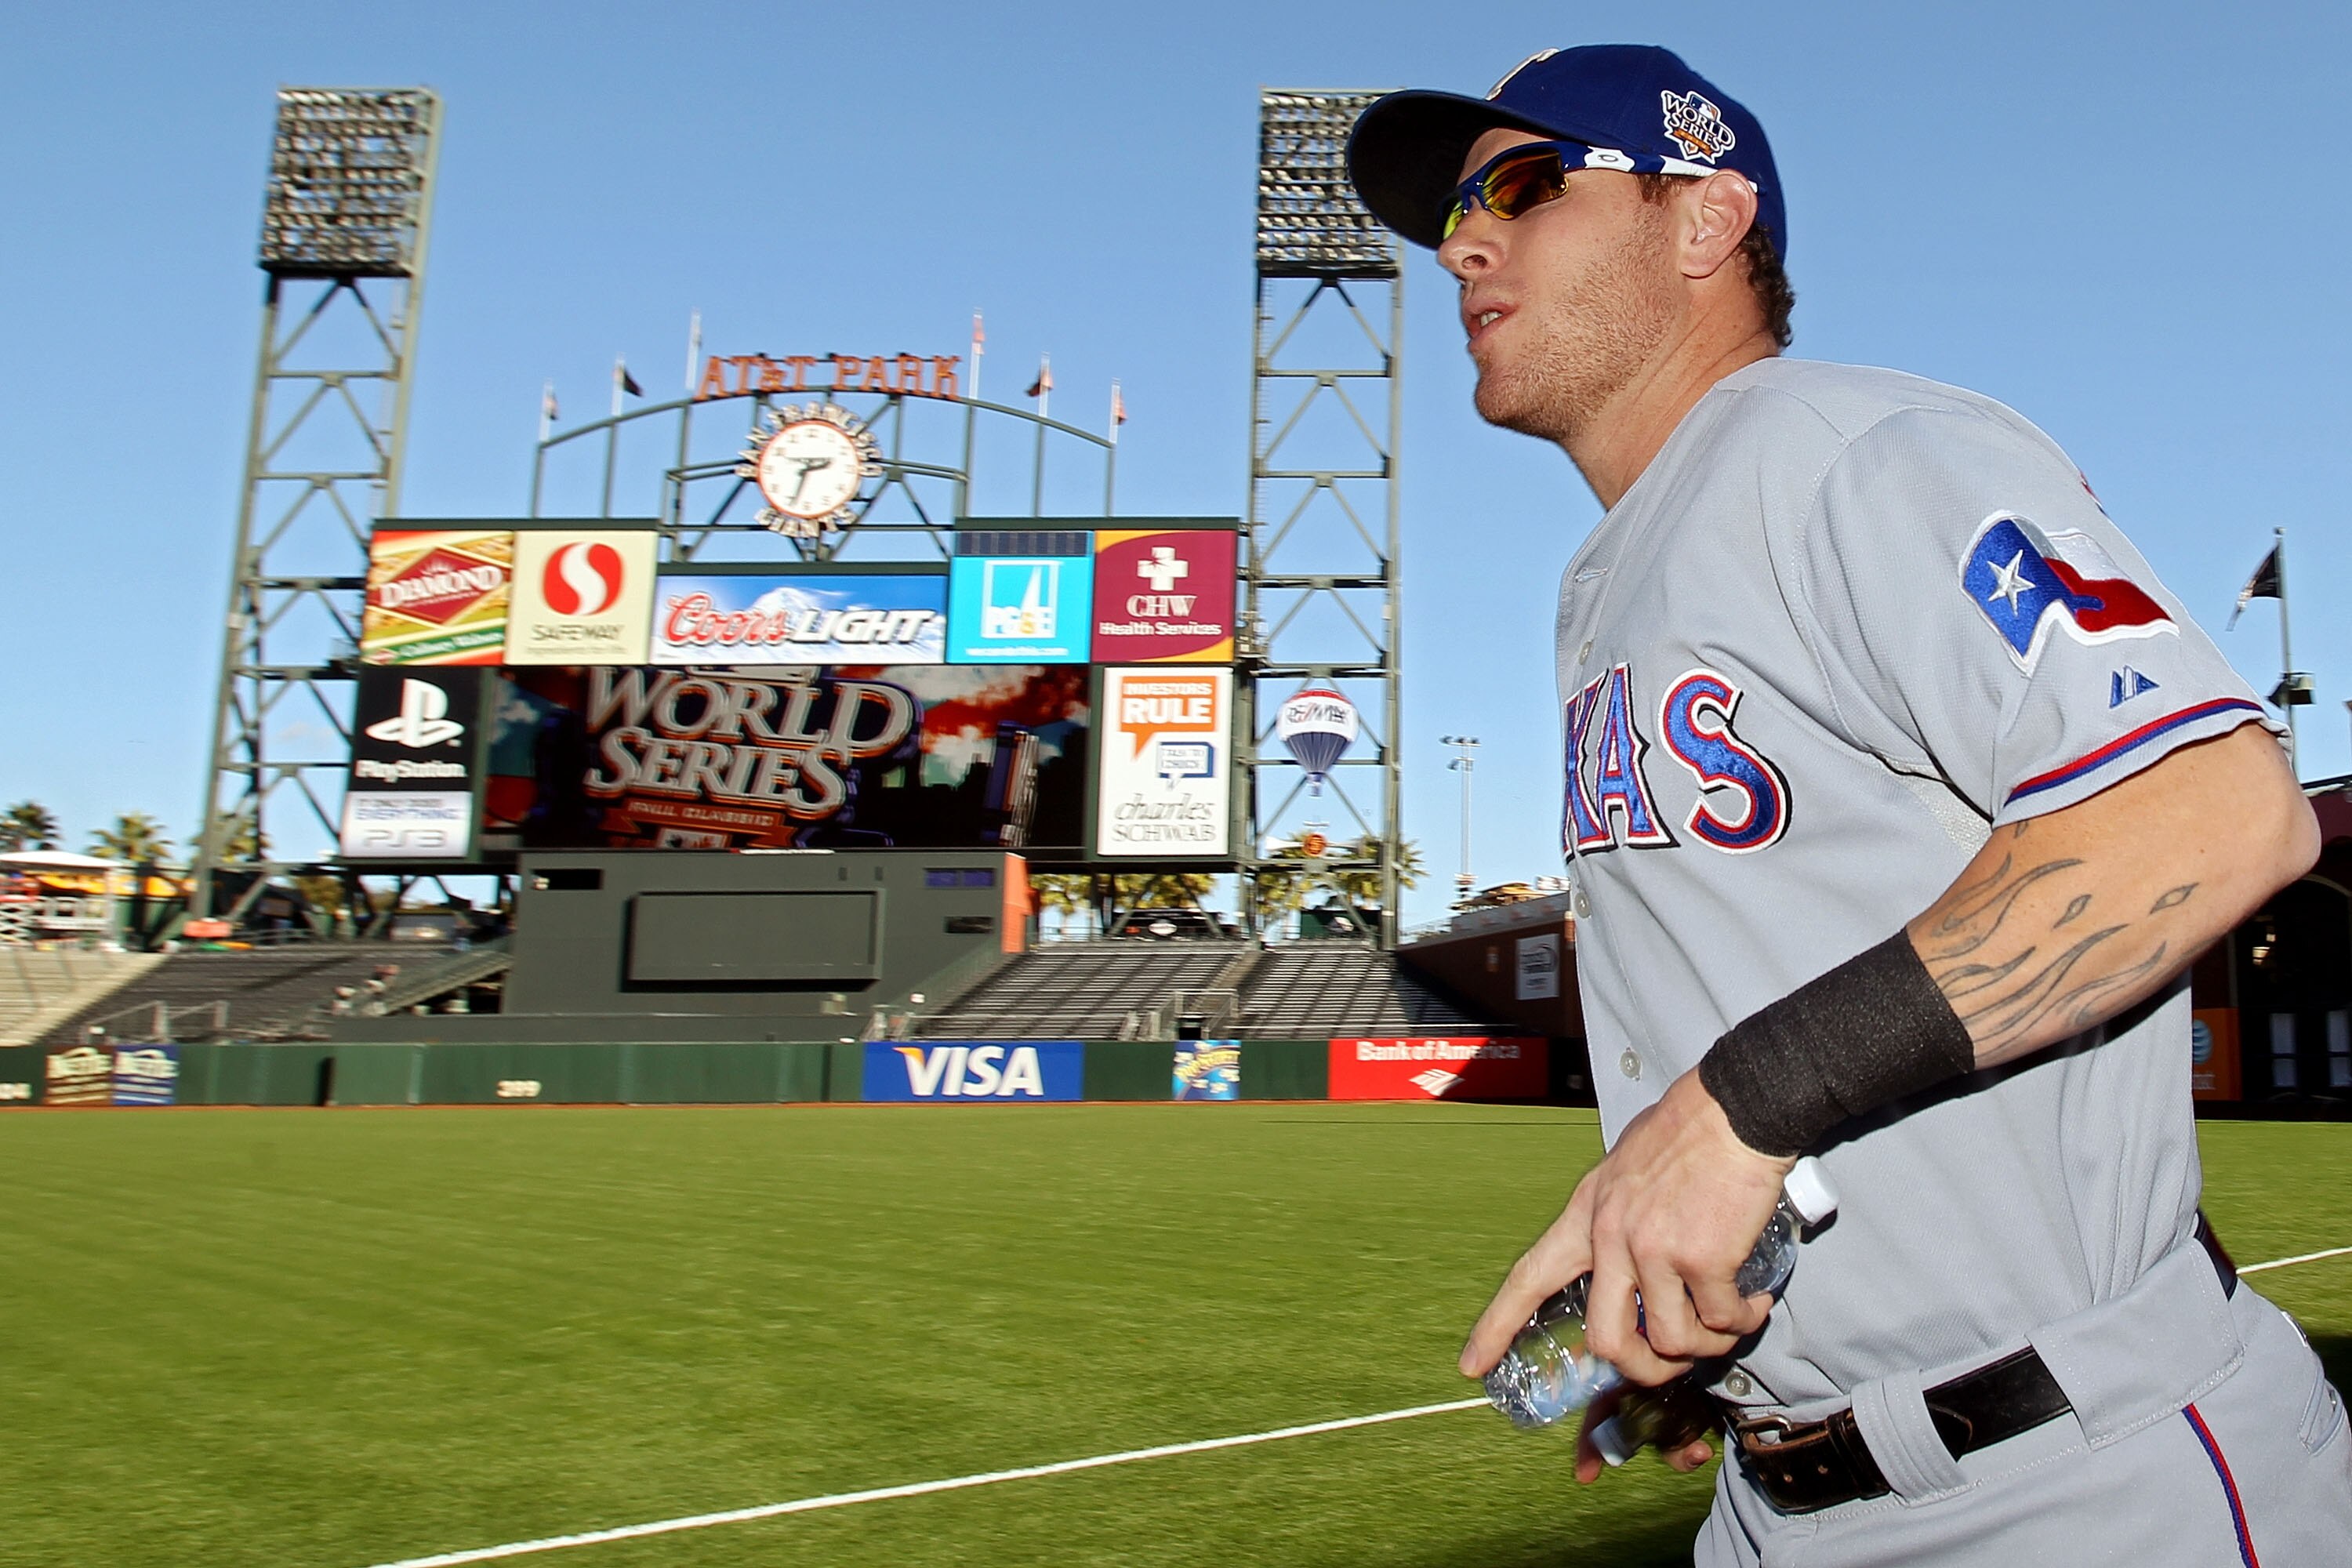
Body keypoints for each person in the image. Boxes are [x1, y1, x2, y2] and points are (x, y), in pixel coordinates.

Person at [1348, 44, 2351, 1565]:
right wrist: (1762, 1353)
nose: (1464, 243)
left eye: (1525, 184)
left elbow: (2217, 809)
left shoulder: (1849, 449)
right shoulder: (1611, 576)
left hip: (2081, 1480)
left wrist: (1739, 1109)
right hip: (1776, 1492)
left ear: (1705, 221)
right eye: (1453, 218)